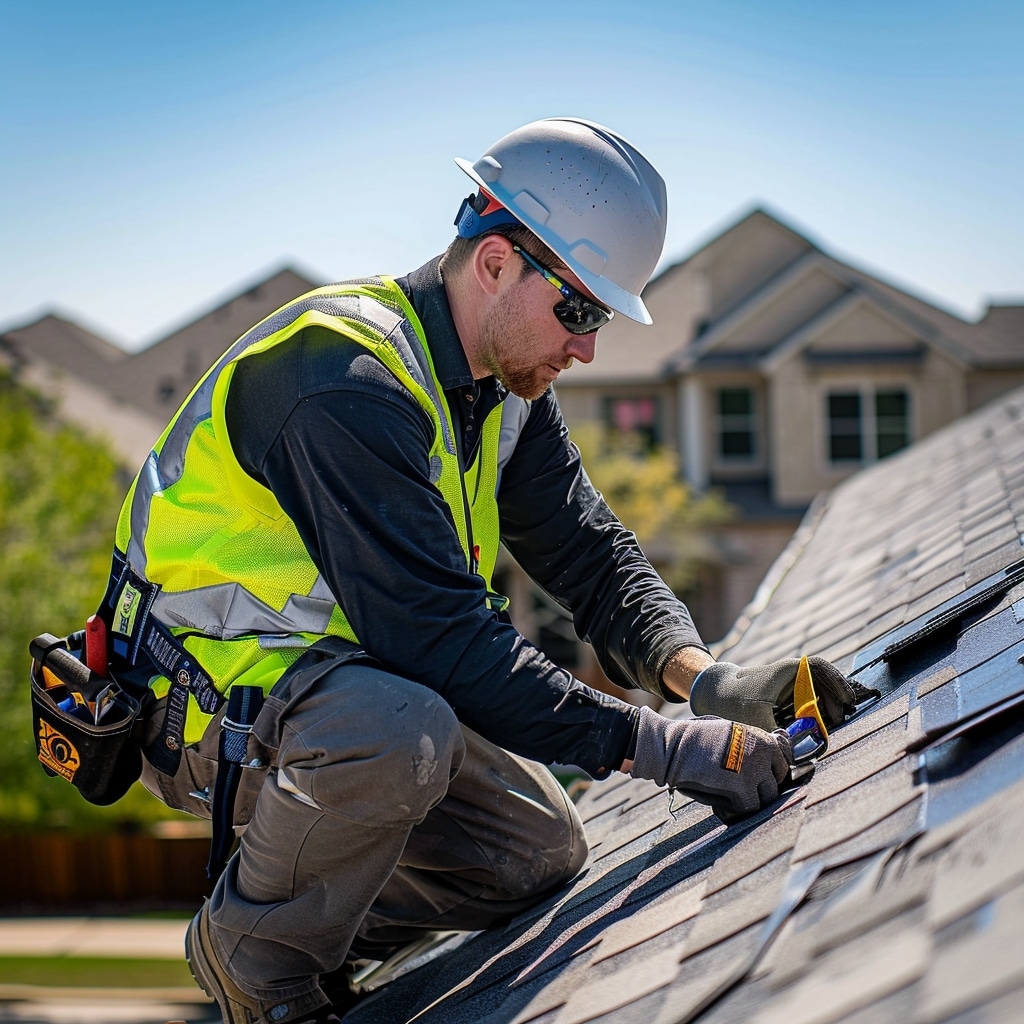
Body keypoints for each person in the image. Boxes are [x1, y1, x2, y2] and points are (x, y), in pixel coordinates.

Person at [93, 117, 872, 1024]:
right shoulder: (339, 382)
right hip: (196, 704)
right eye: (578, 311)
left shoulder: (502, 392)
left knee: (533, 853)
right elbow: (438, 641)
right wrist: (660, 749)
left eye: (602, 319)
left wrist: (711, 685)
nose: (587, 348)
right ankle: (255, 955)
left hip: (342, 698)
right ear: (496, 262)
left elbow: (590, 554)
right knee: (402, 730)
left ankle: (307, 919)